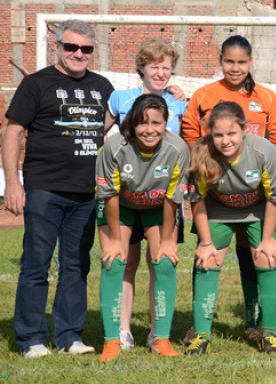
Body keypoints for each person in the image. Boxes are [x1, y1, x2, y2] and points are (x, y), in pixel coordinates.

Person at [2, 19, 113, 357]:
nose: (78, 53)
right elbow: (12, 132)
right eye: (71, 47)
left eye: (86, 49)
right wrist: (13, 183)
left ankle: (69, 336)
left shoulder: (102, 86)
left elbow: (114, 122)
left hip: (85, 192)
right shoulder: (36, 84)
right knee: (36, 264)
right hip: (44, 189)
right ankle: (31, 338)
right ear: (58, 47)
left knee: (77, 265)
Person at [181, 35, 276, 341]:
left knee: (256, 257)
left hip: (254, 193)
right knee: (208, 255)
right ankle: (201, 323)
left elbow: (275, 136)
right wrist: (207, 160)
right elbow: (190, 132)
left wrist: (247, 166)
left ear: (251, 62)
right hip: (216, 191)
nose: (235, 67)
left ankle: (258, 324)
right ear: (220, 61)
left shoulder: (265, 98)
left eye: (241, 62)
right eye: (229, 61)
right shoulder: (204, 94)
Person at [105, 38, 188, 351]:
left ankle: (157, 331)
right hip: (125, 191)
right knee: (124, 261)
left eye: (167, 67)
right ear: (141, 67)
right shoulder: (120, 98)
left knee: (161, 261)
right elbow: (103, 134)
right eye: (155, 66)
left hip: (161, 195)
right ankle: (122, 330)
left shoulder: (178, 103)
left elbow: (189, 142)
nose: (161, 72)